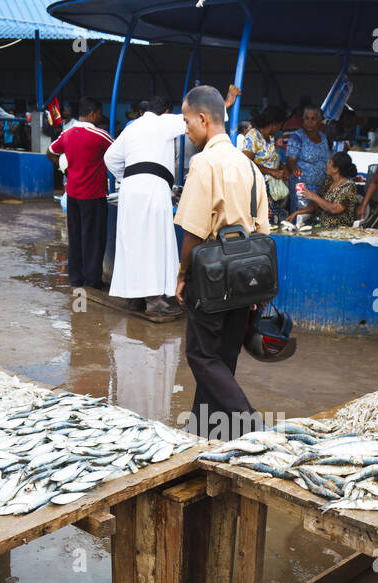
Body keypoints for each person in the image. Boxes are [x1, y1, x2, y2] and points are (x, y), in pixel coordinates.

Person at [173, 85, 270, 441]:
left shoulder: (204, 163)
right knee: (222, 357)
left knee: (201, 356)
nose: (186, 129)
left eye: (187, 121)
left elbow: (194, 231)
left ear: (203, 118)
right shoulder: (250, 167)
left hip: (212, 273)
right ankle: (205, 430)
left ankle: (251, 423)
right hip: (246, 275)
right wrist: (260, 288)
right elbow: (262, 231)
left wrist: (182, 275)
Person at [104, 93, 189, 315]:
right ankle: (155, 303)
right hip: (154, 188)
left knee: (133, 243)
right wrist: (225, 105)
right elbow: (196, 120)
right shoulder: (165, 121)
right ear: (167, 111)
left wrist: (127, 178)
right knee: (154, 243)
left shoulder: (132, 127)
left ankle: (134, 299)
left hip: (130, 190)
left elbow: (109, 158)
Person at [47, 97, 113, 289]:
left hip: (73, 194)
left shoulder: (67, 134)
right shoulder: (100, 135)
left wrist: (66, 171)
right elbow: (118, 152)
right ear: (92, 113)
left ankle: (75, 279)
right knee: (93, 238)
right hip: (93, 195)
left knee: (75, 237)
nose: (101, 117)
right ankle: (92, 280)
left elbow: (50, 152)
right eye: (99, 113)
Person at [284, 151, 361, 230]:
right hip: (320, 226)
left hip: (338, 230)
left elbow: (334, 209)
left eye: (330, 162)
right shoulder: (329, 180)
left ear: (335, 169)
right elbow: (317, 203)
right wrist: (297, 212)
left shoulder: (349, 186)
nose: (327, 164)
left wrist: (314, 197)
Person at [241, 105, 290, 222]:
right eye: (280, 125)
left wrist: (283, 168)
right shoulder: (253, 136)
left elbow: (273, 158)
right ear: (273, 123)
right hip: (257, 188)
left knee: (274, 221)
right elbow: (246, 163)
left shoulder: (270, 137)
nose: (280, 128)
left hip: (271, 189)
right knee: (262, 222)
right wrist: (271, 172)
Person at [284, 107, 331, 214]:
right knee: (300, 217)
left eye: (313, 119)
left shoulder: (323, 137)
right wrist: (294, 167)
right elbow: (291, 159)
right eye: (306, 118)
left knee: (316, 218)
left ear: (319, 121)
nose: (309, 122)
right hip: (302, 187)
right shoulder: (296, 136)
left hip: (321, 186)